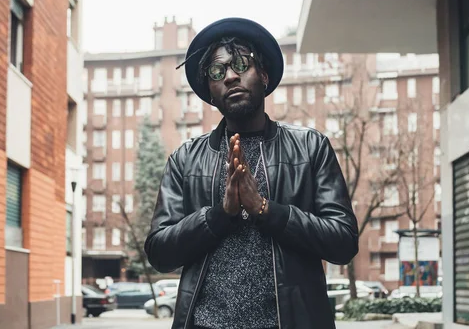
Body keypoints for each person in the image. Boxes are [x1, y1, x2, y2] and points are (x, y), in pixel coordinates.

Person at [145, 18, 359, 329]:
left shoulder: (310, 148)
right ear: (210, 91)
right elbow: (159, 252)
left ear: (264, 74)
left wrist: (265, 209)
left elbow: (343, 242)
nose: (230, 76)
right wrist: (219, 215)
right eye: (217, 72)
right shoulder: (185, 159)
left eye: (241, 64)